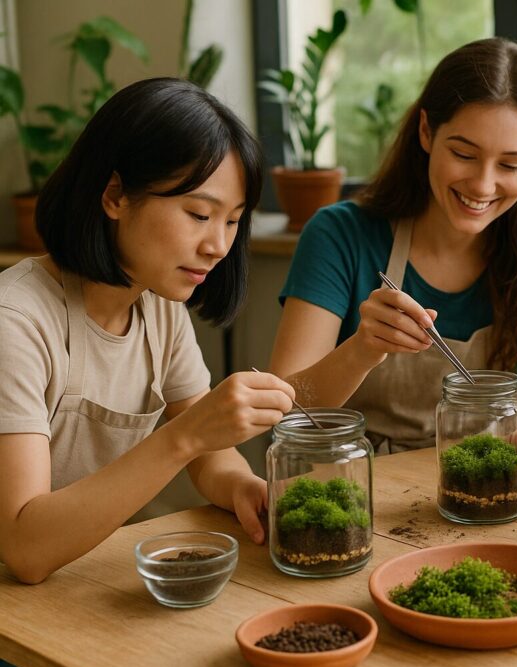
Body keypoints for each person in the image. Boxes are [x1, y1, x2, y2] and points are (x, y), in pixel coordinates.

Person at [0, 78, 297, 586]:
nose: (218, 246)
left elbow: (207, 455)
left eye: (232, 222)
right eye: (200, 214)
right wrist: (184, 437)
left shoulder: (156, 306)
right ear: (115, 195)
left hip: (82, 579)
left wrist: (242, 485)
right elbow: (24, 548)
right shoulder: (16, 321)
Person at [269, 38, 517, 493]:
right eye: (463, 154)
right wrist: (361, 350)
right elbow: (287, 407)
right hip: (349, 495)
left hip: (480, 489)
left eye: (510, 164)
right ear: (426, 131)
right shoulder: (339, 235)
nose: (483, 184)